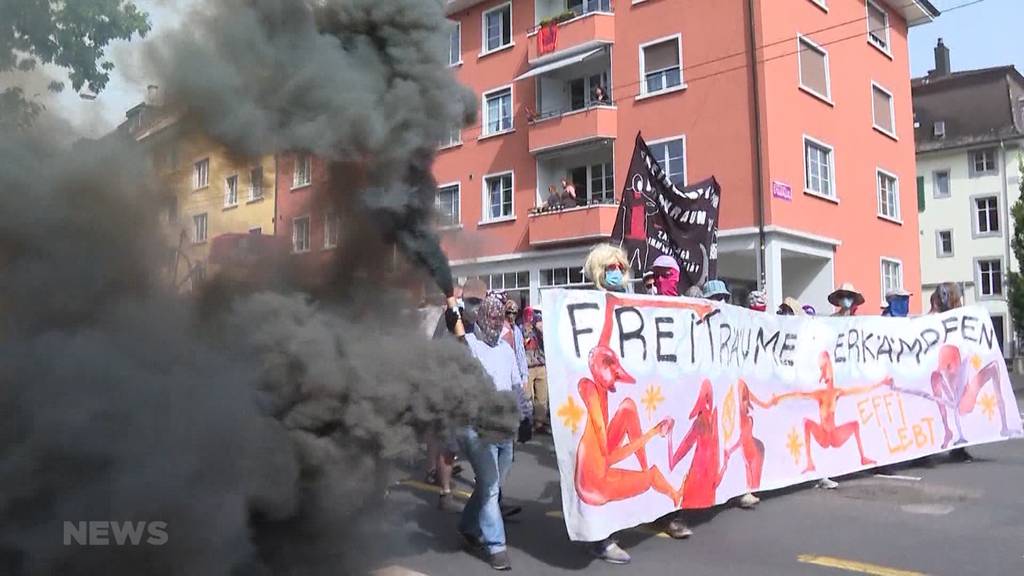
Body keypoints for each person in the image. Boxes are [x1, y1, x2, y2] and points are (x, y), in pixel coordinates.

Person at [457, 292, 530, 571]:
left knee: (493, 485)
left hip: (504, 428)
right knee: (488, 486)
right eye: (493, 318)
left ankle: (467, 525)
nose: (497, 323)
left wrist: (524, 416)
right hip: (476, 427)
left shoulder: (506, 350)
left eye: (501, 319)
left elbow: (515, 385)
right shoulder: (469, 345)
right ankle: (496, 546)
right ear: (482, 318)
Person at [523, 306, 549, 434]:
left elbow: (547, 342)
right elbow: (522, 344)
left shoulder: (542, 330)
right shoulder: (521, 329)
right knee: (528, 397)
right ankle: (528, 423)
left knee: (542, 397)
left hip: (541, 364)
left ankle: (540, 423)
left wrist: (541, 330)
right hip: (528, 366)